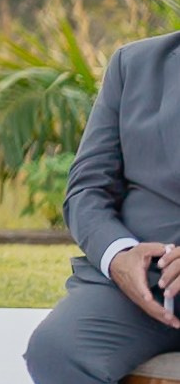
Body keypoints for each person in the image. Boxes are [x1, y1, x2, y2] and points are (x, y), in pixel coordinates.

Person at [24, 30, 180, 384]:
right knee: (57, 350)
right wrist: (119, 256)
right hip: (139, 288)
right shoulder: (133, 64)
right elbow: (87, 189)